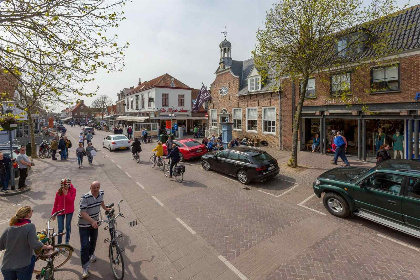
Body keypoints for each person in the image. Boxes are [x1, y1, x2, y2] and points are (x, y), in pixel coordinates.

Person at [0, 206, 53, 280]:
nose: (32, 212)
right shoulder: (30, 226)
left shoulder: (8, 229)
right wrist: (47, 247)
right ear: (28, 214)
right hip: (23, 265)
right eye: (32, 211)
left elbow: (1, 246)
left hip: (7, 265)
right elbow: (35, 244)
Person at [78, 181, 111, 278]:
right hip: (84, 225)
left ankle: (91, 254)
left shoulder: (101, 193)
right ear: (90, 187)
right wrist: (92, 221)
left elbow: (101, 201)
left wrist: (105, 208)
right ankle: (85, 267)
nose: (95, 189)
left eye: (97, 187)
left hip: (94, 224)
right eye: (94, 188)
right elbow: (83, 213)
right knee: (84, 246)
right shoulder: (85, 198)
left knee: (93, 241)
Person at [52, 179, 76, 244]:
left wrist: (66, 194)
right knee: (60, 229)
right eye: (63, 186)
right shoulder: (59, 192)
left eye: (66, 186)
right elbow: (56, 203)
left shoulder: (73, 190)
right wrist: (53, 213)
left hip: (69, 211)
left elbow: (71, 201)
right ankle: (59, 243)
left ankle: (67, 241)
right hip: (60, 211)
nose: (65, 187)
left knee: (67, 227)